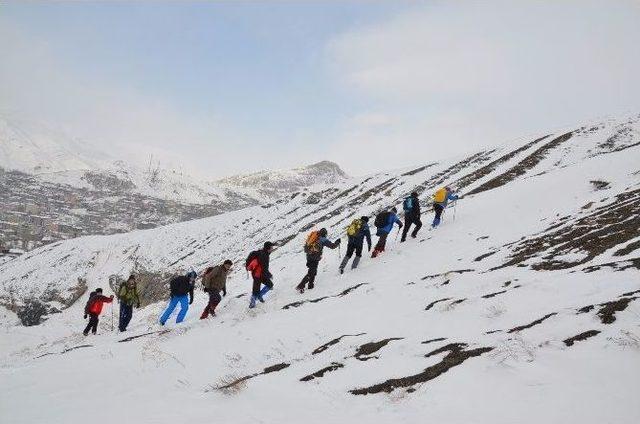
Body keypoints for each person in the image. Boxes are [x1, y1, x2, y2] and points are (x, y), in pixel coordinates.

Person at [296, 228, 341, 293]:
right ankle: (301, 286)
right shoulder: (323, 239)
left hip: (309, 255)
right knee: (312, 272)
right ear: (324, 234)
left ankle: (310, 285)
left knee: (313, 271)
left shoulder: (314, 235)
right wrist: (337, 242)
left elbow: (307, 245)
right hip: (315, 257)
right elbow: (332, 246)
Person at [246, 242, 275, 309]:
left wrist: (268, 274)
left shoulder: (264, 253)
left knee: (269, 285)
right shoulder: (264, 255)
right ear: (268, 248)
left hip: (259, 274)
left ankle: (259, 296)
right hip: (257, 274)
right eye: (271, 248)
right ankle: (252, 303)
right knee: (257, 289)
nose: (272, 249)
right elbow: (264, 268)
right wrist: (269, 275)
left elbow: (264, 268)